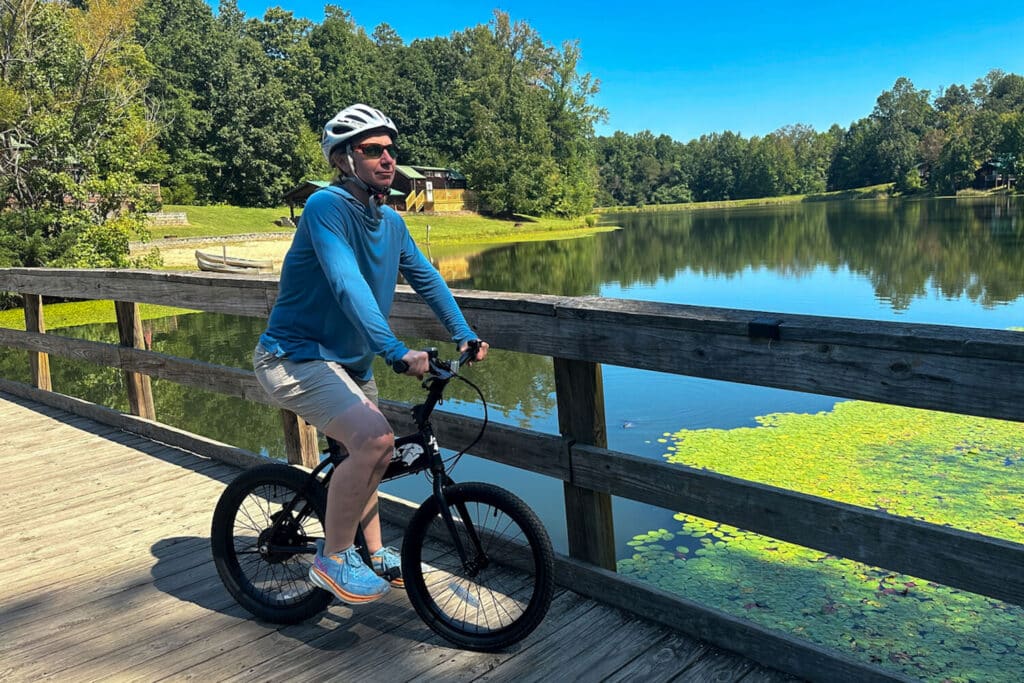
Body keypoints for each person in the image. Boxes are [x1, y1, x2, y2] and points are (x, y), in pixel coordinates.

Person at [253, 103, 488, 605]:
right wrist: (396, 351)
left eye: (390, 150)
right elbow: (347, 285)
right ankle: (333, 558)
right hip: (294, 357)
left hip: (349, 363)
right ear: (343, 160)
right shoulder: (325, 208)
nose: (387, 159)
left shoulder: (391, 221)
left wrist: (464, 333)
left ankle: (375, 552)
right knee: (377, 439)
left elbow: (426, 279)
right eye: (372, 150)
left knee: (373, 455)